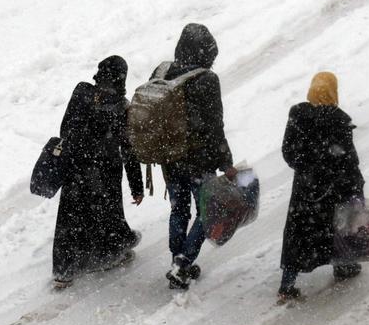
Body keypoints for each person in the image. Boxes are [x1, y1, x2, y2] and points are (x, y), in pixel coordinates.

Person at [152, 23, 238, 290]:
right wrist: (226, 163)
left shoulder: (162, 71)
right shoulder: (206, 79)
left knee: (178, 208)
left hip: (169, 156)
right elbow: (215, 126)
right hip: (198, 160)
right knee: (206, 211)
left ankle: (177, 259)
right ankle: (183, 262)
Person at [52, 55, 144, 289]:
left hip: (76, 169)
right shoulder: (122, 107)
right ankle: (111, 254)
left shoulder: (81, 91)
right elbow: (129, 150)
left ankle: (63, 272)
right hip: (105, 174)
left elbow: (65, 129)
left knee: (70, 219)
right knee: (107, 217)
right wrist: (137, 186)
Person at [278, 71, 365, 300]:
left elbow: (289, 152)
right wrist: (355, 186)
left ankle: (287, 284)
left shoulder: (298, 115)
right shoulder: (340, 120)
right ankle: (344, 266)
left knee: (298, 236)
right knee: (336, 228)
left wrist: (307, 167)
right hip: (331, 190)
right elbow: (348, 161)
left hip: (304, 191)